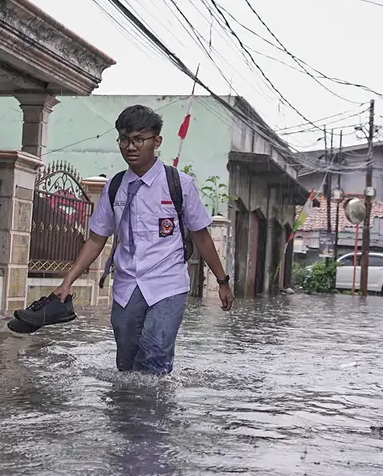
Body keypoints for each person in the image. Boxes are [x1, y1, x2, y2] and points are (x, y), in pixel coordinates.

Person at [25, 104, 234, 375]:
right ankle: (126, 414)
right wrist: (67, 282)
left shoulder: (179, 184)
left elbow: (202, 237)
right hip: (126, 286)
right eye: (124, 139)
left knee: (154, 353)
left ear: (156, 141)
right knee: (126, 364)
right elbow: (96, 239)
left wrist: (222, 282)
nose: (130, 147)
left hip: (167, 285)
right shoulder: (114, 187)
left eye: (138, 139)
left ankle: (153, 413)